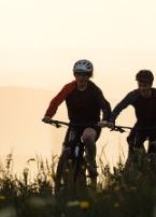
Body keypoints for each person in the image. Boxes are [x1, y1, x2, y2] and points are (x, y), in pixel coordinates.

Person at [42, 58, 112, 187]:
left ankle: (91, 164)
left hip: (92, 125)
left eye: (84, 75)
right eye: (78, 74)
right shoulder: (69, 87)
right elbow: (56, 100)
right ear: (74, 74)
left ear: (89, 76)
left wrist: (105, 120)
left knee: (87, 137)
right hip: (74, 125)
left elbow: (105, 106)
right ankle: (64, 182)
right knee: (67, 149)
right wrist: (48, 115)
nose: (81, 78)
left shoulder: (94, 90)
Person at [107, 69, 156, 166]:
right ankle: (137, 165)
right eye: (140, 85)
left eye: (144, 86)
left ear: (150, 85)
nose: (142, 88)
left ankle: (154, 169)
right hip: (142, 125)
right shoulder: (134, 95)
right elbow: (119, 108)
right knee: (132, 141)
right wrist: (111, 121)